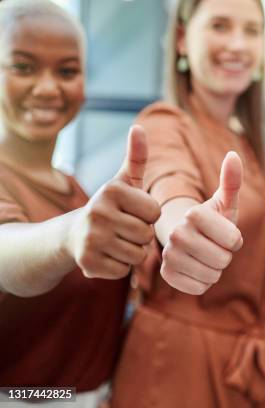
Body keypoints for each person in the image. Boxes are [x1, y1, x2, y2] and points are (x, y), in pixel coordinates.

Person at [109, 0, 265, 406]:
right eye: (220, 26)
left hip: (248, 365)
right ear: (184, 39)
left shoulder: (248, 145)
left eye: (251, 30)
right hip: (177, 368)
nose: (238, 44)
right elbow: (170, 189)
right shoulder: (164, 122)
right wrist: (180, 225)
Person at [0, 0, 160, 406]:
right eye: (23, 67)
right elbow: (8, 251)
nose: (48, 87)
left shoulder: (77, 190)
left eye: (67, 71)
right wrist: (71, 235)